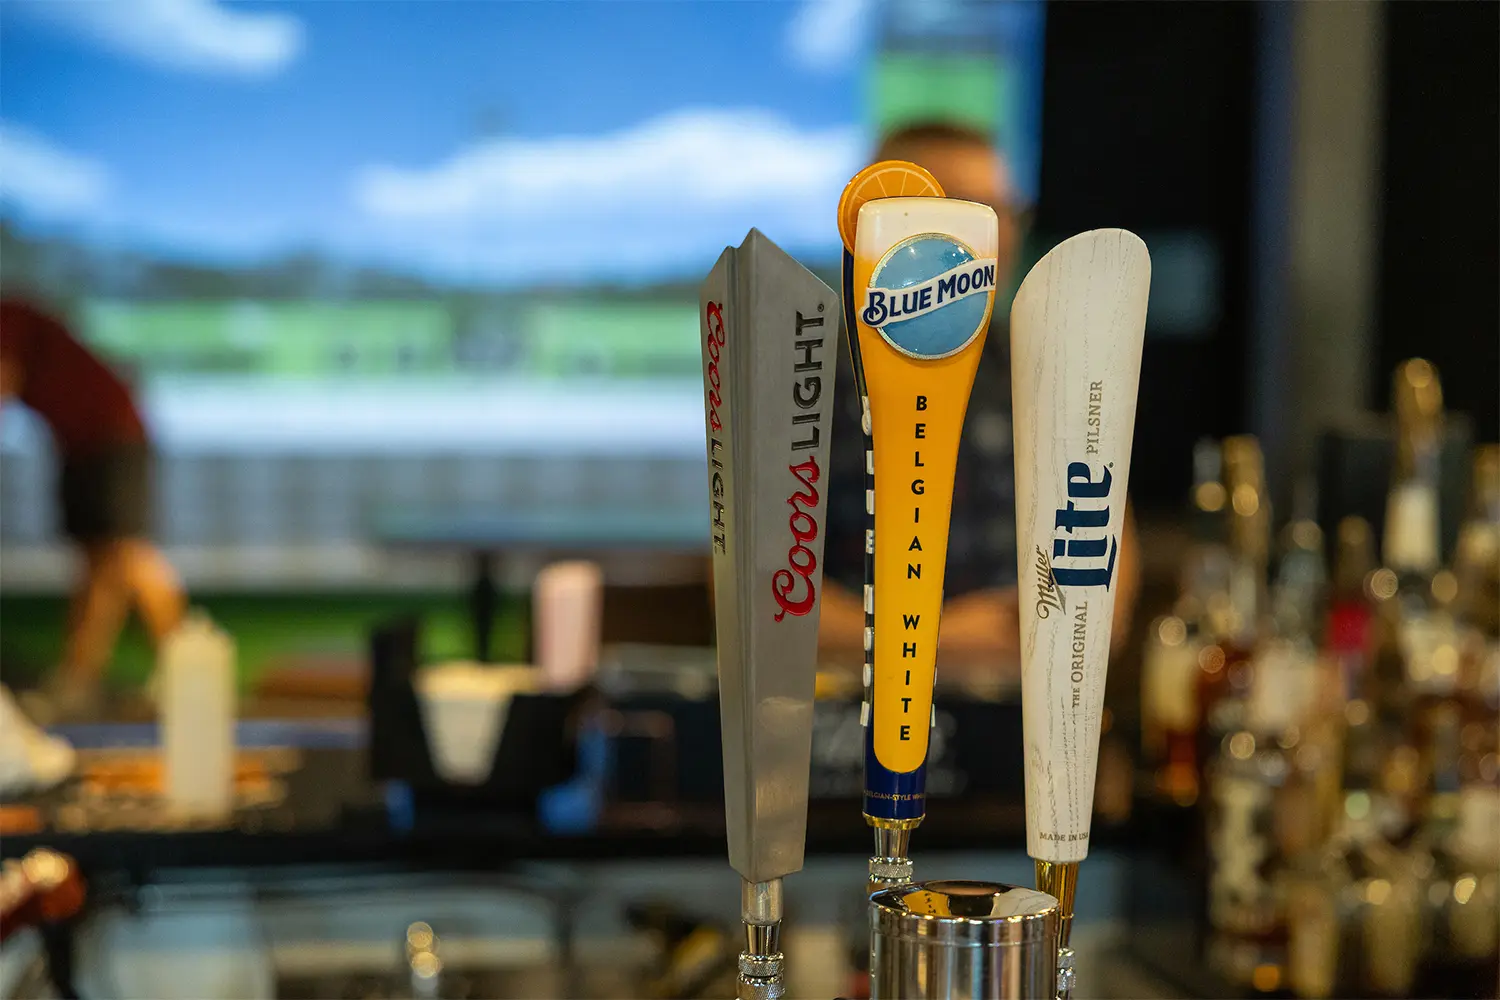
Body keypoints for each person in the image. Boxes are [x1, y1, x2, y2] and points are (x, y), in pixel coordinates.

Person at [818, 122, 1140, 669]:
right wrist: (945, 641)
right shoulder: (815, 372)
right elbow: (755, 602)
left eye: (1002, 210)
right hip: (852, 725)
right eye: (966, 207)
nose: (997, 234)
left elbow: (1112, 560)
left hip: (1023, 725)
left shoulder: (1045, 366)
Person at [0, 298, 186, 717]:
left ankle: (182, 671)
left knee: (125, 552)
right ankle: (80, 677)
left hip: (110, 437)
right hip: (83, 443)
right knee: (100, 561)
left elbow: (3, 379)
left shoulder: (5, 315)